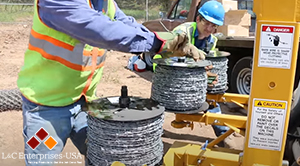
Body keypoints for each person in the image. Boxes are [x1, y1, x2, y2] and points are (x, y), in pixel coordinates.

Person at [17, 0, 205, 165]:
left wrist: (170, 41)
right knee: (40, 160)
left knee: (102, 156)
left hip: (85, 103)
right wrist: (158, 44)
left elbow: (128, 25)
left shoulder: (105, 3)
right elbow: (100, 29)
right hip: (47, 109)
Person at [153, 0, 230, 139]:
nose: (209, 29)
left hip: (191, 76)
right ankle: (153, 133)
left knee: (211, 100)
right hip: (168, 71)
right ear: (198, 19)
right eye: (206, 23)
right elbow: (167, 55)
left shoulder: (212, 41)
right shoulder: (183, 32)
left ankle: (223, 135)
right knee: (162, 102)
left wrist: (208, 75)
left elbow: (204, 63)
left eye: (213, 26)